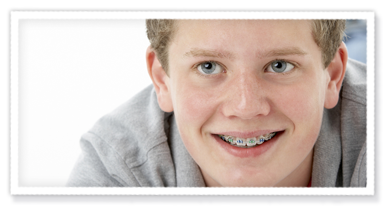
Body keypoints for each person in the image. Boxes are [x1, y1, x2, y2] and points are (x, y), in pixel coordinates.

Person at [66, 19, 366, 187]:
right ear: (162, 79)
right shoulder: (116, 165)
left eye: (279, 65)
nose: (245, 107)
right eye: (208, 66)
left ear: (332, 76)